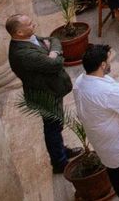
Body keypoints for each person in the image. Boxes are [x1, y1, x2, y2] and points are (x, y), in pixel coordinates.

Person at [7, 13, 78, 174]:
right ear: (19, 32)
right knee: (52, 127)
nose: (34, 25)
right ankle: (59, 162)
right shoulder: (22, 54)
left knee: (56, 124)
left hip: (51, 88)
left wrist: (52, 51)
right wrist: (54, 55)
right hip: (45, 93)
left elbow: (53, 40)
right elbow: (56, 64)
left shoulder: (28, 38)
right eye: (30, 24)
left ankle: (61, 151)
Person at [74, 45, 119, 200]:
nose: (111, 62)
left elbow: (111, 94)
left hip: (103, 145)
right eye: (109, 60)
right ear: (103, 65)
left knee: (118, 178)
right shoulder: (102, 90)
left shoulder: (81, 80)